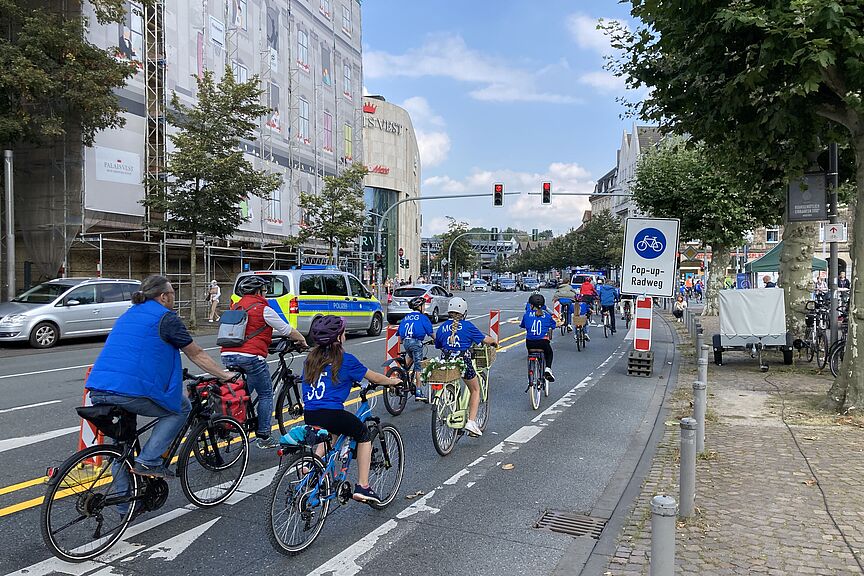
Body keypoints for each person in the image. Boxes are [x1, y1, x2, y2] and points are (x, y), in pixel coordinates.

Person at [86, 275, 236, 478]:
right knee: (181, 408)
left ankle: (126, 504)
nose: (173, 297)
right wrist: (224, 375)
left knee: (122, 448)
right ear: (164, 296)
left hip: (98, 388)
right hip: (129, 390)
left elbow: (140, 351)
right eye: (173, 293)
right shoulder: (166, 318)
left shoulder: (128, 314)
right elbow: (196, 353)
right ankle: (148, 461)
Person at [301, 315, 401, 505]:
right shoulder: (345, 360)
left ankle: (311, 462)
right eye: (344, 333)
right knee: (362, 434)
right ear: (339, 338)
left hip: (310, 413)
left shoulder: (310, 360)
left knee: (332, 432)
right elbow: (375, 378)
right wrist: (392, 381)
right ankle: (363, 486)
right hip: (331, 413)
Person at [220, 276, 307, 449]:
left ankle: (233, 417)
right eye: (264, 291)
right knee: (266, 393)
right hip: (250, 357)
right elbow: (286, 329)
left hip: (227, 354)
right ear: (259, 292)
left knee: (241, 391)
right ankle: (264, 436)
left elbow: (249, 329)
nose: (265, 294)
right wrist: (302, 341)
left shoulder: (236, 307)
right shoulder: (263, 308)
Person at [434, 298, 498, 437]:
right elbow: (484, 339)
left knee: (452, 382)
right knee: (475, 389)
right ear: (464, 312)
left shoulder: (442, 327)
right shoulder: (468, 326)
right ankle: (471, 421)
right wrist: (493, 342)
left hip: (446, 363)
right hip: (463, 362)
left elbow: (438, 344)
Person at [397, 296, 434, 400]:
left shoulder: (406, 317)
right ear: (420, 307)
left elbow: (399, 335)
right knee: (418, 367)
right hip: (416, 343)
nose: (425, 308)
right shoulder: (423, 318)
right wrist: (437, 341)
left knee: (409, 359)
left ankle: (401, 375)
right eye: (423, 306)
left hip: (406, 342)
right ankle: (418, 391)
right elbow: (431, 333)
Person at [521, 293, 557, 382]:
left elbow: (523, 325)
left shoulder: (527, 315)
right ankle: (548, 369)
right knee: (549, 353)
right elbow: (553, 325)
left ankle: (531, 370)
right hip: (543, 343)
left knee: (530, 352)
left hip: (530, 343)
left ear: (531, 305)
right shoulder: (547, 315)